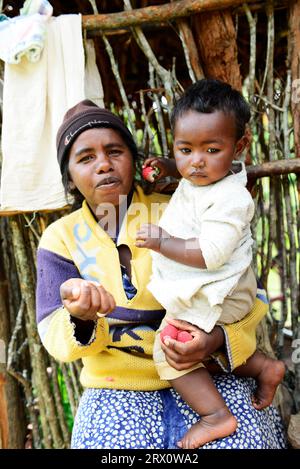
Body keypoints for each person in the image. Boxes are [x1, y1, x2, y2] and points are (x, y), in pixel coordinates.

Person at [36, 99, 286, 449]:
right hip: (116, 382)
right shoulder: (59, 238)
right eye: (86, 158)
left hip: (209, 368)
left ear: (133, 160)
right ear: (70, 176)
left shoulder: (177, 209)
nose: (104, 164)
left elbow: (249, 292)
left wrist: (215, 340)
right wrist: (81, 317)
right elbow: (52, 331)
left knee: (241, 441)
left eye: (114, 151)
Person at [136, 79, 285, 449]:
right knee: (197, 348)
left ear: (240, 146)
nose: (196, 162)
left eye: (211, 149)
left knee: (170, 351)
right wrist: (172, 167)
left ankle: (216, 416)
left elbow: (210, 253)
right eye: (185, 149)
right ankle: (264, 366)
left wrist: (162, 241)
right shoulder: (208, 172)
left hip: (221, 288)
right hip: (214, 285)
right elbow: (192, 168)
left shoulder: (231, 197)